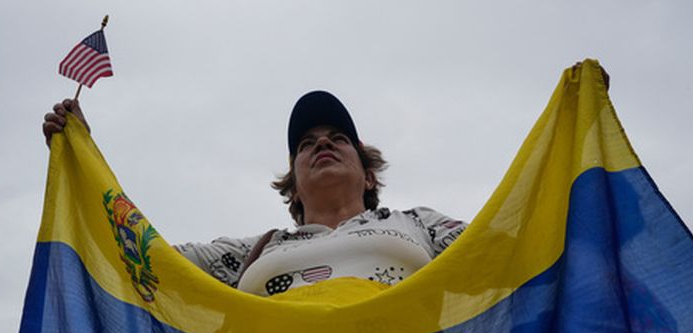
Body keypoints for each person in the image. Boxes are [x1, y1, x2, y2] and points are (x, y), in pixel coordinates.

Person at [43, 91, 467, 297]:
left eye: (338, 138)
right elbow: (145, 257)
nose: (322, 143)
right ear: (295, 188)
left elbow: (505, 248)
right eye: (306, 144)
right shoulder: (258, 250)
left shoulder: (418, 224)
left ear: (369, 177)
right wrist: (84, 162)